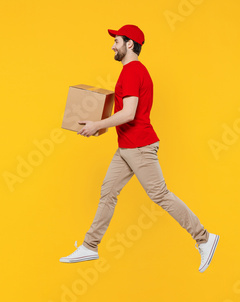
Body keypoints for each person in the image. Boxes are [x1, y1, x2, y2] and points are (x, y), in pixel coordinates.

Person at [59, 24, 219, 272]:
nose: (113, 46)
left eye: (117, 41)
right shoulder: (131, 72)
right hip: (127, 146)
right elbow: (126, 110)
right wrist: (97, 120)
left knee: (160, 195)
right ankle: (90, 246)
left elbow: (130, 113)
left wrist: (97, 124)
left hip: (140, 146)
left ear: (129, 44)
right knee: (108, 192)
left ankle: (204, 238)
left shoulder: (133, 71)